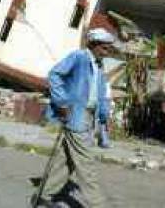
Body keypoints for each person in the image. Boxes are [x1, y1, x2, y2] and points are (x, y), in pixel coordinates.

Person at [31, 28, 115, 208]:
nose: (108, 51)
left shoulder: (99, 66)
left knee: (66, 160)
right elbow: (55, 74)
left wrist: (103, 117)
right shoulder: (79, 57)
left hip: (89, 118)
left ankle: (43, 196)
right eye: (105, 48)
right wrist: (61, 103)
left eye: (109, 48)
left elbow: (100, 95)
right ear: (94, 45)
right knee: (86, 164)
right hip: (76, 116)